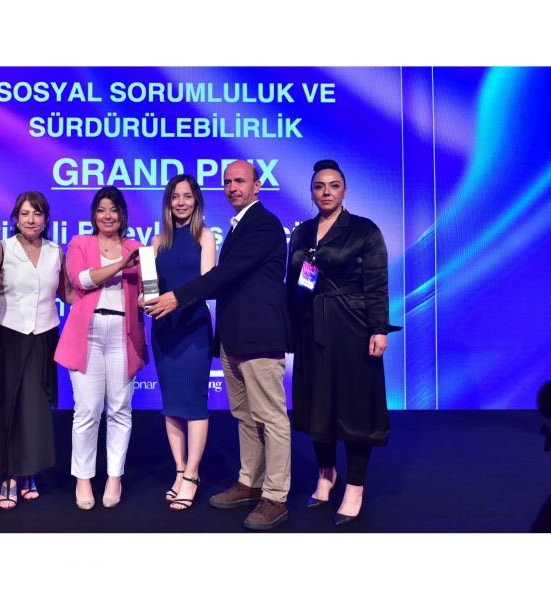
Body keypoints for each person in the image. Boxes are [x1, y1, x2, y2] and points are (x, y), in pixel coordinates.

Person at [145, 160, 292, 531]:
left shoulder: (263, 224)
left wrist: (177, 297)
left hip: (259, 336)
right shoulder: (237, 226)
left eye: (240, 181)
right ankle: (250, 482)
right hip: (232, 337)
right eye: (227, 182)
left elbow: (224, 275)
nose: (232, 187)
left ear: (257, 185)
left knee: (271, 418)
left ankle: (275, 496)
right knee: (244, 415)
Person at [287, 159, 400, 526]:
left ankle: (355, 486)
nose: (326, 192)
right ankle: (326, 474)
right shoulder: (303, 232)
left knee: (355, 409)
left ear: (344, 190)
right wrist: (292, 326)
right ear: (311, 191)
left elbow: (376, 283)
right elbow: (297, 284)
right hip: (311, 328)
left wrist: (379, 329)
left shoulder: (364, 230)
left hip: (353, 328)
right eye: (320, 186)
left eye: (334, 185)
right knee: (316, 404)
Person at [54, 186, 147, 510]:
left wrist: (151, 298)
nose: (107, 216)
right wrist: (122, 265)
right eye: (101, 210)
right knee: (87, 409)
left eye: (114, 209)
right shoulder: (80, 243)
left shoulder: (137, 248)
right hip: (88, 334)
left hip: (124, 333)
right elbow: (81, 280)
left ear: (122, 214)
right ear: (93, 215)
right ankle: (83, 478)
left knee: (120, 409)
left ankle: (114, 477)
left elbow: (147, 290)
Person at [0, 191, 73, 509]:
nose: (31, 220)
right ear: (15, 218)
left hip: (44, 336)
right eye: (25, 214)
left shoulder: (56, 251)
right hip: (8, 334)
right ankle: (8, 475)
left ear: (46, 219)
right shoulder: (1, 249)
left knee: (35, 408)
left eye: (37, 214)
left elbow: (67, 294)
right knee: (7, 405)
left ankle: (28, 473)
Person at [144, 175, 216, 511]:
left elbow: (206, 285)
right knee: (171, 403)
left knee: (194, 403)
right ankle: (179, 470)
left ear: (196, 200)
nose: (181, 202)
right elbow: (151, 288)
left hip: (194, 328)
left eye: (187, 196)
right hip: (164, 329)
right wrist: (146, 300)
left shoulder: (205, 236)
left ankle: (192, 474)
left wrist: (175, 300)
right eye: (175, 197)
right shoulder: (157, 241)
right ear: (168, 202)